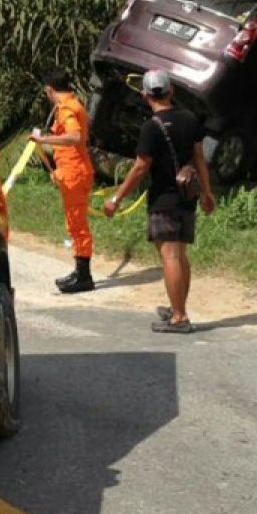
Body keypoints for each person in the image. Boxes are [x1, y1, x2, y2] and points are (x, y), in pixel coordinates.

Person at [104, 69, 215, 332]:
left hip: (164, 200)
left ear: (145, 95)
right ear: (171, 91)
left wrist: (116, 198)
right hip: (187, 196)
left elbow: (141, 167)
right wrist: (207, 193)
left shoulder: (151, 128)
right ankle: (178, 307)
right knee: (180, 255)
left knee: (170, 256)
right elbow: (200, 159)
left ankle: (179, 317)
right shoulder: (190, 119)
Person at [31, 68, 96, 293]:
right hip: (72, 172)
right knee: (75, 223)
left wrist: (44, 139)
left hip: (74, 173)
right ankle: (80, 270)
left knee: (77, 225)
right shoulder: (72, 104)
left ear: (50, 90)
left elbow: (75, 136)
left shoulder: (67, 108)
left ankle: (84, 275)